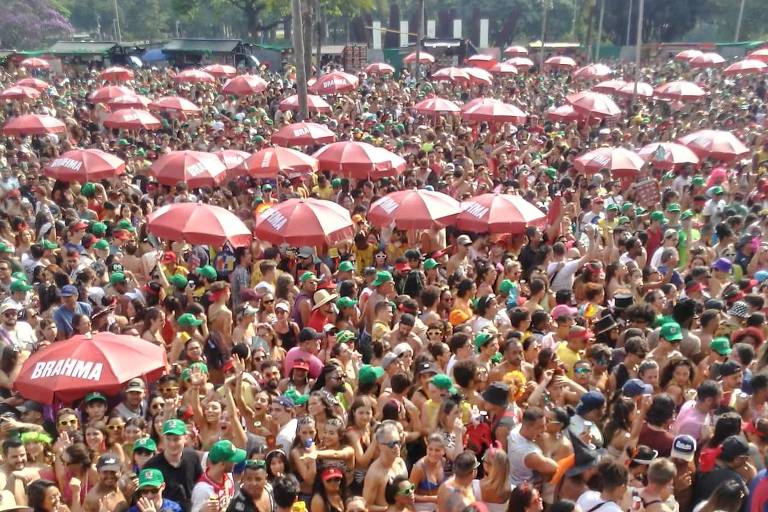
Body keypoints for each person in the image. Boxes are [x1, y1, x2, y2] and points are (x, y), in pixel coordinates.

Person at [143, 420, 202, 511]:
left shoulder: (192, 457)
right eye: (168, 439)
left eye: (176, 439)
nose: (172, 444)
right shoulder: (152, 466)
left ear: (185, 438)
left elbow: (200, 484)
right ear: (163, 438)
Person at [363, 421, 408, 512]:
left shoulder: (401, 463)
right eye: (391, 444)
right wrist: (389, 509)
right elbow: (366, 506)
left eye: (398, 442)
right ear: (380, 445)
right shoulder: (374, 473)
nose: (396, 447)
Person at [189, 440, 245, 512]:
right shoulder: (202, 490)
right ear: (222, 464)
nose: (235, 462)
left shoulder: (228, 475)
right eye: (232, 460)